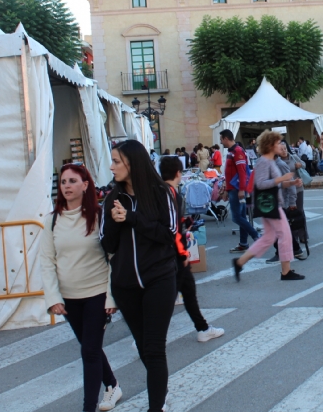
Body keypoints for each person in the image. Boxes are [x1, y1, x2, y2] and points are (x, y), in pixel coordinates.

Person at [101, 140, 178, 412]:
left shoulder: (161, 193)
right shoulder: (112, 198)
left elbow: (167, 235)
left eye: (116, 162)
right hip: (126, 286)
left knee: (155, 348)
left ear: (133, 164)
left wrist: (132, 218)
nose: (111, 167)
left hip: (159, 279)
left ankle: (155, 407)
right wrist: (114, 220)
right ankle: (161, 389)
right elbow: (107, 245)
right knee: (145, 348)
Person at [41, 164, 122, 412]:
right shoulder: (52, 220)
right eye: (63, 181)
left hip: (97, 293)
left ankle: (88, 407)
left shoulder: (99, 217)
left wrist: (111, 298)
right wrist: (53, 297)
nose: (67, 186)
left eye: (72, 181)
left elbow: (113, 258)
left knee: (89, 351)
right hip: (69, 297)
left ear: (85, 185)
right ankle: (112, 385)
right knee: (91, 347)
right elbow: (47, 261)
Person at [158, 156, 225, 342]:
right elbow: (173, 230)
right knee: (171, 296)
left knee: (187, 291)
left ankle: (202, 328)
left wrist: (185, 223)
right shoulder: (173, 194)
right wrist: (183, 253)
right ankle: (147, 335)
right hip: (175, 254)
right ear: (179, 173)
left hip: (168, 252)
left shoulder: (159, 191)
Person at [232, 130, 305, 281]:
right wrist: (281, 179)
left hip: (268, 204)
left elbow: (273, 184)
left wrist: (291, 182)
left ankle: (240, 262)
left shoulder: (269, 161)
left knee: (268, 237)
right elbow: (261, 183)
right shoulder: (264, 161)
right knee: (284, 235)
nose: (281, 145)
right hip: (270, 204)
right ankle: (286, 271)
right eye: (278, 143)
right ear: (271, 145)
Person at [220, 130, 260, 254]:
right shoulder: (231, 152)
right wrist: (226, 189)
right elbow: (229, 172)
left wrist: (242, 189)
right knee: (242, 216)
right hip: (233, 188)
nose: (221, 142)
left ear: (226, 138)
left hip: (237, 188)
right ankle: (243, 243)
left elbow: (242, 171)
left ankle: (256, 236)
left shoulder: (237, 151)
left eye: (221, 139)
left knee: (237, 217)